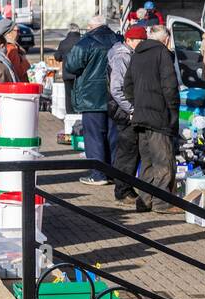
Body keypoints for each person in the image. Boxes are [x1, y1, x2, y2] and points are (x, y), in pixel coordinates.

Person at [123, 23, 180, 212]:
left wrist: (137, 103)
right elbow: (170, 86)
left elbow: (127, 86)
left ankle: (144, 200)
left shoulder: (137, 54)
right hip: (159, 116)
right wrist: (172, 111)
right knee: (163, 159)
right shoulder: (162, 53)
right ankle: (163, 203)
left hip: (140, 115)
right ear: (166, 39)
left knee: (147, 161)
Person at [64, 14, 123, 186]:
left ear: (91, 26)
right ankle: (113, 172)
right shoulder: (117, 40)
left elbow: (71, 66)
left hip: (92, 97)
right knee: (113, 136)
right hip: (115, 96)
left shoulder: (86, 42)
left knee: (94, 136)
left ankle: (98, 174)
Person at [108, 25, 144, 205]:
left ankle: (125, 187)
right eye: (139, 40)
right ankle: (122, 191)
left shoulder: (128, 54)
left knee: (129, 150)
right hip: (123, 110)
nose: (142, 43)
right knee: (128, 150)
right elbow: (116, 88)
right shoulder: (123, 56)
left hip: (123, 108)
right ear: (128, 40)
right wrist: (131, 109)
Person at [55, 23, 83, 114]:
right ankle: (80, 113)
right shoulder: (83, 41)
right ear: (78, 31)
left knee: (68, 96)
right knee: (80, 95)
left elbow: (57, 57)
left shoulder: (63, 43)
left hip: (67, 74)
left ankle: (70, 115)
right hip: (80, 74)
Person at [0, 17, 32, 82]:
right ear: (8, 34)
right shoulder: (11, 49)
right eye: (17, 31)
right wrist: (26, 64)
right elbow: (18, 72)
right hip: (17, 87)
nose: (19, 33)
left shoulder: (1, 47)